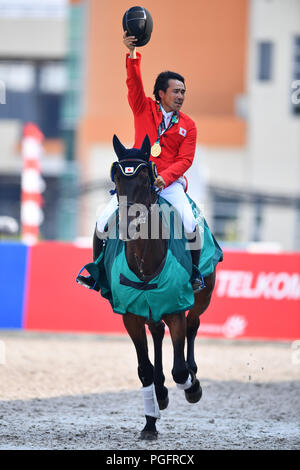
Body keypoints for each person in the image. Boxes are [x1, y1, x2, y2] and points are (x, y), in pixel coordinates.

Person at [79, 32, 203, 292]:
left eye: (183, 92)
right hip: (137, 181)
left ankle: (194, 273)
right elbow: (133, 84)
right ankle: (97, 272)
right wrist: (132, 54)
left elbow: (185, 159)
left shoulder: (188, 126)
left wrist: (165, 178)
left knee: (191, 222)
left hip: (168, 184)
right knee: (102, 221)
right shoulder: (143, 107)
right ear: (161, 93)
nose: (181, 96)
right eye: (176, 91)